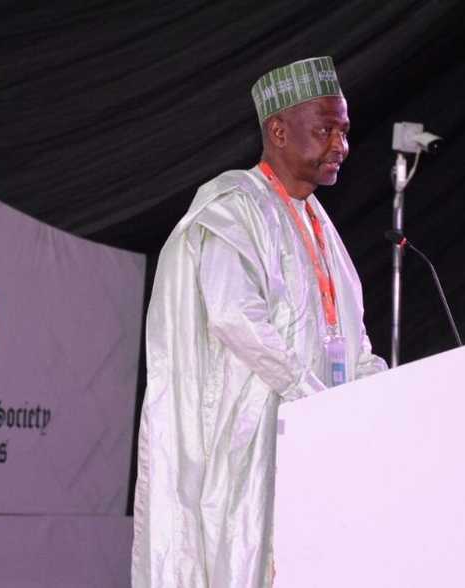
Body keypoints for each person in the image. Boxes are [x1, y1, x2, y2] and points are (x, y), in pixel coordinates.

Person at [131, 56, 388, 588]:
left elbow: (352, 333)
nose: (341, 144)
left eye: (344, 130)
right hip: (252, 445)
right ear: (278, 131)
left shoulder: (320, 223)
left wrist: (379, 392)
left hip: (318, 440)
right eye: (325, 129)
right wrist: (310, 395)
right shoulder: (232, 206)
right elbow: (235, 318)